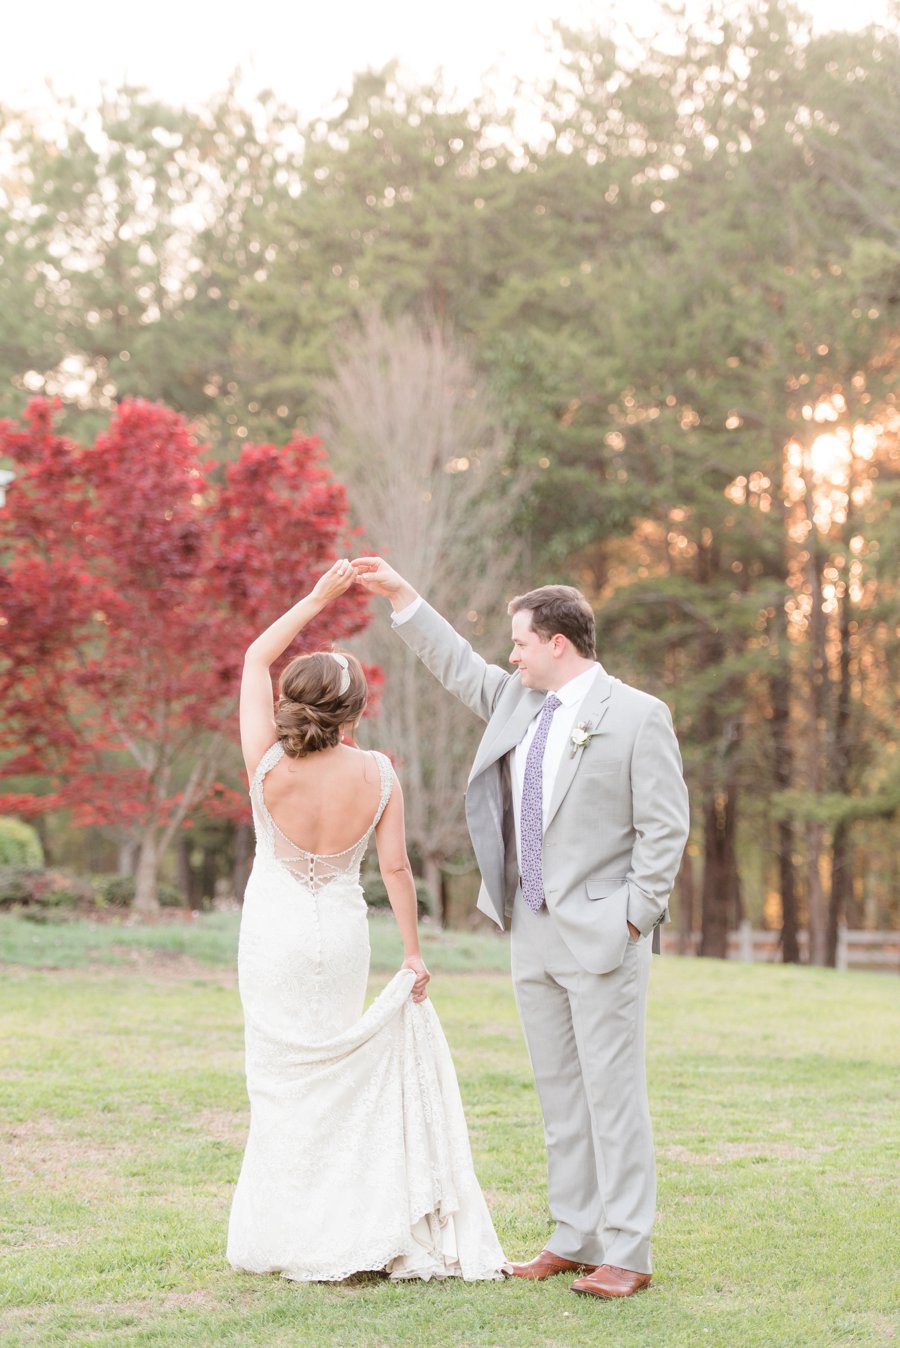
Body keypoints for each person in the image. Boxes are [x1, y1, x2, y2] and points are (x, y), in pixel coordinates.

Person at [353, 558, 689, 1300]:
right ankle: (574, 1237)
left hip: (605, 934)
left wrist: (634, 917)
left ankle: (628, 1252)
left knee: (613, 1095)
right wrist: (405, 598)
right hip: (528, 928)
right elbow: (455, 665)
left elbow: (665, 829)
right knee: (559, 1092)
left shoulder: (638, 715)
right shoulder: (516, 702)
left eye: (521, 643)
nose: (511, 656)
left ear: (559, 643)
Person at [226, 559, 508, 1284]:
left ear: (294, 702)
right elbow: (395, 873)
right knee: (338, 1075)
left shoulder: (264, 765)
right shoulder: (378, 773)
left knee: (280, 1081)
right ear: (355, 713)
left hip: (275, 935)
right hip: (343, 938)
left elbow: (257, 654)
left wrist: (317, 596)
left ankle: (291, 1232)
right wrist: (413, 954)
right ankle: (342, 1226)